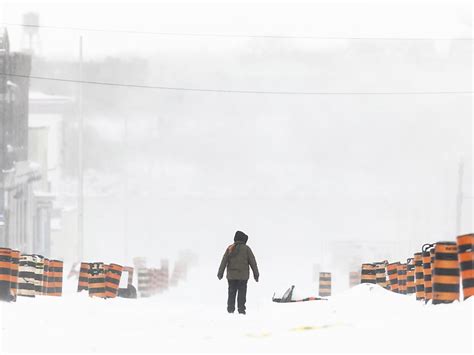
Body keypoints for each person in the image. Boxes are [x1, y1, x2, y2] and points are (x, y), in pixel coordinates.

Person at [217, 230, 259, 315]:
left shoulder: (230, 248)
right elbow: (253, 262)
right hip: (243, 277)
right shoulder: (247, 249)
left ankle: (230, 310)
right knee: (242, 294)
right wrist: (256, 274)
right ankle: (241, 310)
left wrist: (220, 272)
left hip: (231, 277)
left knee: (231, 293)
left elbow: (224, 261)